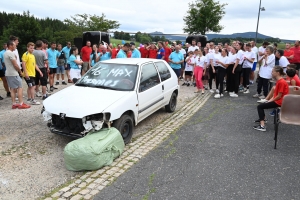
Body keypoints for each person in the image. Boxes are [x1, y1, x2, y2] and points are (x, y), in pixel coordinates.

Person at [253, 66, 288, 132]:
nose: (271, 73)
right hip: (279, 100)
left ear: (277, 73)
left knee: (260, 107)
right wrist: (268, 100)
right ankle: (263, 118)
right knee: (262, 105)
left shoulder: (281, 82)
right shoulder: (279, 81)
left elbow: (279, 96)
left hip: (280, 102)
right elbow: (276, 94)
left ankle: (262, 125)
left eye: (273, 71)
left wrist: (270, 101)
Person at [4, 40, 30, 109]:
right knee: (20, 87)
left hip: (8, 73)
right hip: (13, 73)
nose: (16, 46)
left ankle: (14, 103)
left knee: (12, 89)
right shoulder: (10, 53)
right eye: (14, 45)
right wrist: (20, 71)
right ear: (10, 46)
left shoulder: (5, 53)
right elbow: (15, 64)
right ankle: (21, 103)